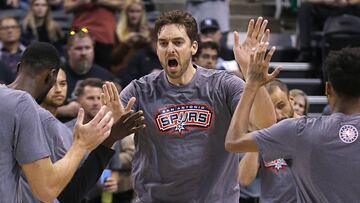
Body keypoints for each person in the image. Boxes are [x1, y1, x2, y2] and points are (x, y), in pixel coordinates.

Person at [119, 11, 275, 202]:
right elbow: (110, 128)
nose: (169, 49)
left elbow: (266, 124)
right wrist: (115, 120)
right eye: (163, 43)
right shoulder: (140, 89)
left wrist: (252, 79)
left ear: (193, 47)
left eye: (177, 42)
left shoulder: (223, 84)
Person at [225, 42, 360, 201]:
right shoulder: (296, 130)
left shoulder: (300, 132)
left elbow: (234, 141)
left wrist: (252, 83)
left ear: (328, 89)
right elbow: (244, 178)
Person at [1, 41, 114, 203]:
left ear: (19, 68)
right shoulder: (24, 105)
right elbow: (46, 191)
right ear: (51, 76)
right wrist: (81, 144)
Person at [238, 79, 298, 203]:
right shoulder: (264, 136)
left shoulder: (310, 130)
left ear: (291, 100)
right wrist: (258, 130)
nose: (277, 115)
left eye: (281, 106)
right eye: (270, 109)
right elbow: (243, 179)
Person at [65, 78, 121, 202]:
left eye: (99, 98)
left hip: (102, 198)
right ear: (78, 100)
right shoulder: (64, 131)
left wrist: (113, 181)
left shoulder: (110, 130)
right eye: (90, 98)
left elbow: (115, 168)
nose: (96, 103)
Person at [64, 0, 123, 69]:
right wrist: (83, 1)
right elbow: (67, 7)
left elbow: (122, 5)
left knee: (103, 72)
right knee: (75, 68)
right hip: (80, 33)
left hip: (104, 36)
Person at [112, 0, 151, 76]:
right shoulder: (117, 31)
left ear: (142, 13)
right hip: (124, 72)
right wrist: (125, 44)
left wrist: (147, 41)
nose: (134, 15)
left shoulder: (149, 31)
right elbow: (113, 59)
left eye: (138, 11)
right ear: (126, 13)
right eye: (131, 11)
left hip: (143, 71)